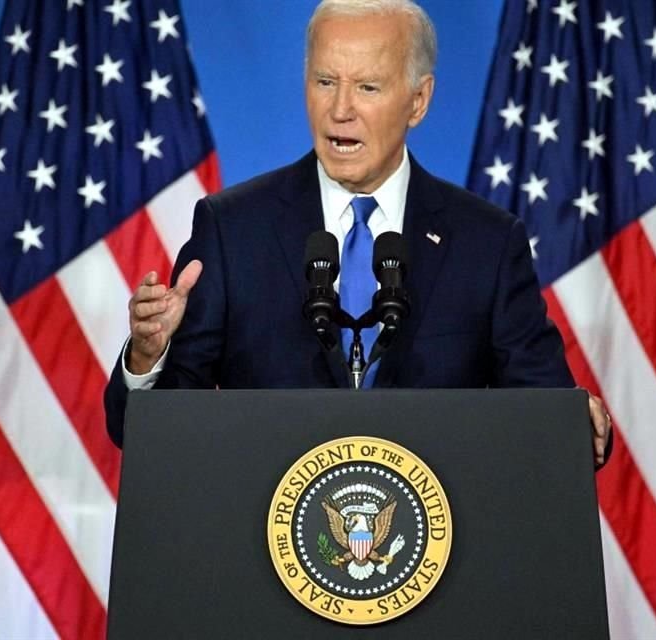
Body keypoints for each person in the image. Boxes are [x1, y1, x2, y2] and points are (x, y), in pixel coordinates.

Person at [104, 0, 612, 466]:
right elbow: (149, 432)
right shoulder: (233, 229)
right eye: (325, 81)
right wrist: (149, 358)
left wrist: (569, 420)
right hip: (264, 543)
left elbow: (543, 411)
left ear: (418, 101)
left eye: (367, 87)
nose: (340, 109)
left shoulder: (487, 244)